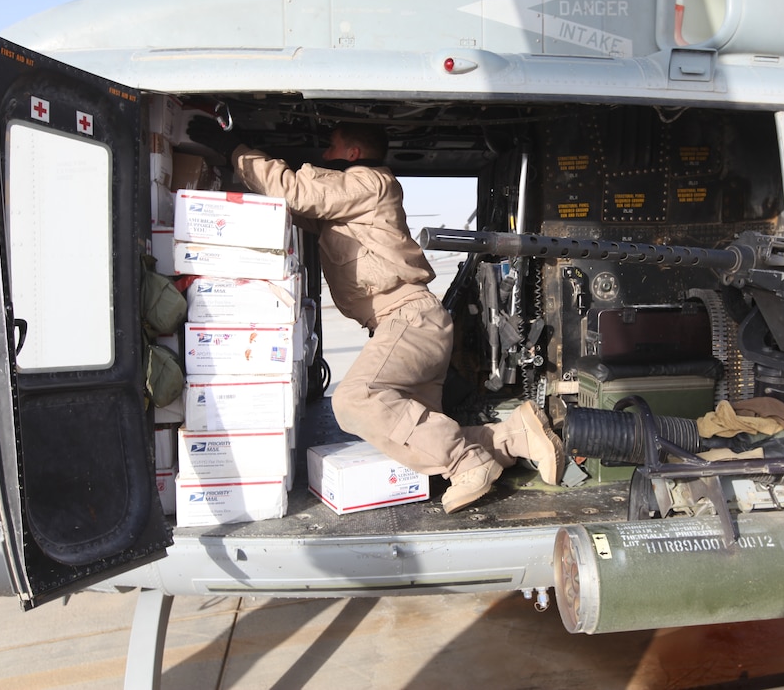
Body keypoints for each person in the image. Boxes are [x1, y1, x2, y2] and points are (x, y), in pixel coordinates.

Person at [186, 117, 564, 512]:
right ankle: (515, 436)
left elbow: (294, 190)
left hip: (408, 317)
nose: (322, 157)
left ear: (352, 154)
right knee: (416, 439)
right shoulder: (348, 207)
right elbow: (289, 203)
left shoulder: (368, 181)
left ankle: (467, 460)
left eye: (330, 148)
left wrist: (236, 150)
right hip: (404, 322)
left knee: (354, 401)